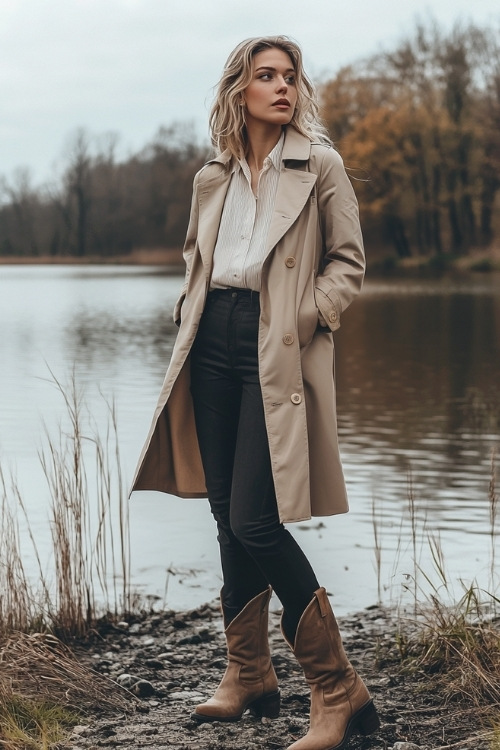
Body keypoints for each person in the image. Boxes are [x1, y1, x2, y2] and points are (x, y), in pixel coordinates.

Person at [131, 35, 379, 750]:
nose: (281, 87)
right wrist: (188, 314)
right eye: (265, 76)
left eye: (290, 76)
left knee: (256, 520)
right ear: (239, 89)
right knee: (223, 514)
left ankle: (338, 691)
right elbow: (197, 259)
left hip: (277, 348)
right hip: (211, 344)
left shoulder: (321, 165)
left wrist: (305, 319)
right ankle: (249, 676)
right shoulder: (213, 175)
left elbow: (348, 264)